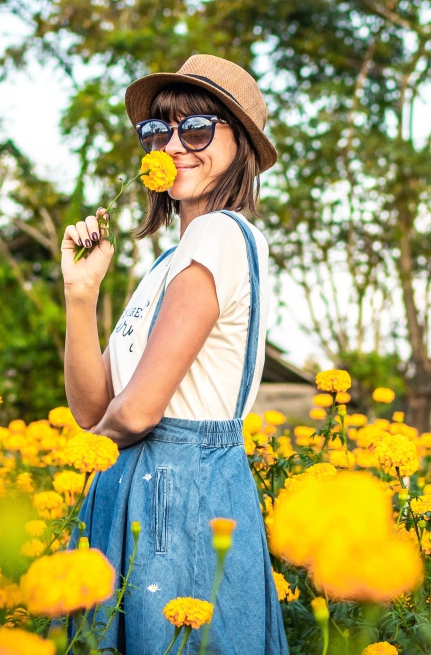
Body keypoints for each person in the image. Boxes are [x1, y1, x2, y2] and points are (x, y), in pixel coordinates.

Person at [59, 54, 289, 654]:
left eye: (198, 127)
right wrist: (80, 294)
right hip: (139, 485)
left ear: (241, 144)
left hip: (180, 493)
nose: (175, 145)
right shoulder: (168, 262)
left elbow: (132, 416)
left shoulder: (221, 234)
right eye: (158, 131)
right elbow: (94, 407)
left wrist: (87, 458)